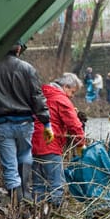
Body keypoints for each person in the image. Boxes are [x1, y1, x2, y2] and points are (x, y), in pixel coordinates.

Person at [0, 40, 54, 202]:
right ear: (18, 50)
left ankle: (15, 199)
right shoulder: (27, 68)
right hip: (25, 123)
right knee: (24, 156)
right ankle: (25, 194)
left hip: (1, 124)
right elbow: (37, 98)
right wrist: (46, 123)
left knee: (9, 164)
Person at [31, 73, 86, 207]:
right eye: (72, 92)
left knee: (37, 183)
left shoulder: (40, 94)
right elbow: (74, 125)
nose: (72, 96)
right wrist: (81, 144)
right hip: (50, 144)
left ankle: (37, 212)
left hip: (32, 143)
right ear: (66, 86)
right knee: (56, 183)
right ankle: (56, 210)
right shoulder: (61, 99)